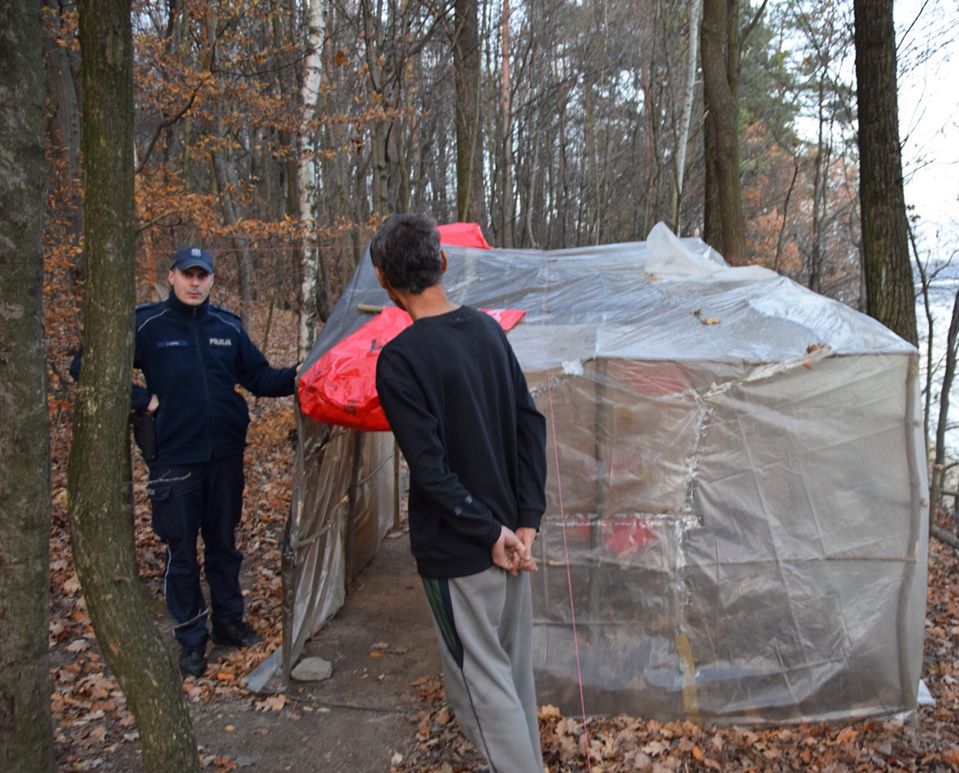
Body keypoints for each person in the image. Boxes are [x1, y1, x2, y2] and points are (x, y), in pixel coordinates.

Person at [372, 214, 547, 773]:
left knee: (486, 694)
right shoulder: (489, 332)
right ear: (443, 263)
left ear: (384, 280)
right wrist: (524, 522)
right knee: (511, 680)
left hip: (462, 553)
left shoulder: (399, 359)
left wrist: (502, 530)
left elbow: (429, 470)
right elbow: (530, 426)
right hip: (508, 542)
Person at [133, 246, 296, 677]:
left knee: (224, 546)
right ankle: (191, 639)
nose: (195, 283)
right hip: (173, 460)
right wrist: (141, 399)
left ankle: (228, 624)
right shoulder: (147, 324)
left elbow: (259, 377)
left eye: (202, 275)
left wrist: (304, 373)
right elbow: (86, 366)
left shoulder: (227, 325)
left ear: (211, 280)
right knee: (181, 553)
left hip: (225, 456)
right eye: (187, 274)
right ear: (171, 277)